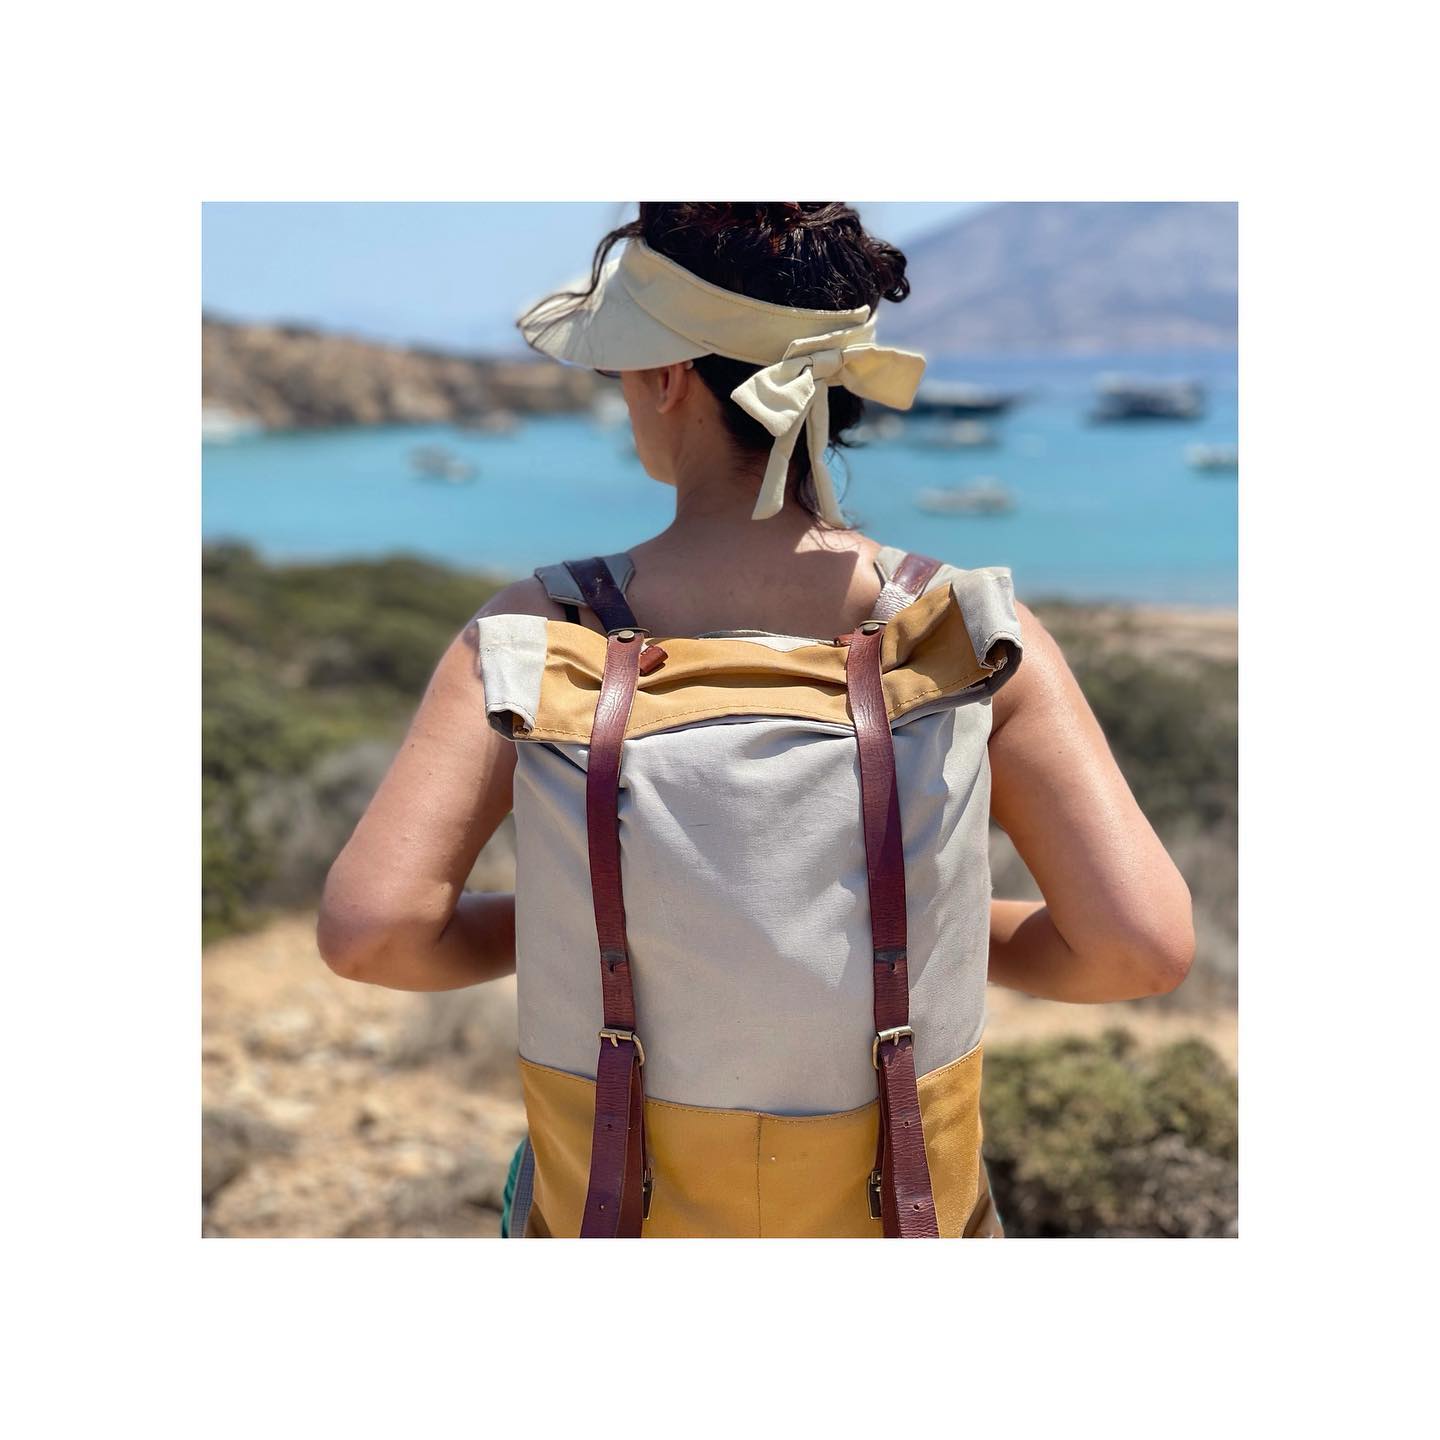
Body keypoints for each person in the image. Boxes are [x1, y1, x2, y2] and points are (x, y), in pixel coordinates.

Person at [317, 202, 1195, 1238]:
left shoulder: (539, 632)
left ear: (666, 377)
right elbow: (1136, 948)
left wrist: (624, 923)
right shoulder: (963, 631)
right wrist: (914, 925)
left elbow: (375, 935)